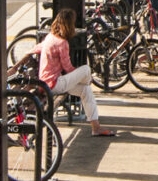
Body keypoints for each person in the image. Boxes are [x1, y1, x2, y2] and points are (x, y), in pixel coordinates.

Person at [8, 8, 115, 137]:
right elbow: (68, 68)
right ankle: (88, 83)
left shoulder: (50, 37)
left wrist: (15, 67)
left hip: (46, 84)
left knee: (86, 90)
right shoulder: (62, 43)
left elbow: (33, 50)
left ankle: (96, 127)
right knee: (86, 70)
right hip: (54, 84)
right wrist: (86, 78)